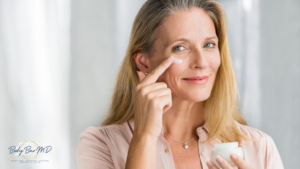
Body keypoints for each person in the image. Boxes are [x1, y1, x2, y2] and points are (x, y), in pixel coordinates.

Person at [76, 0, 284, 168]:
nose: (201, 63)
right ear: (143, 61)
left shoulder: (260, 148)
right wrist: (145, 136)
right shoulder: (101, 145)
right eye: (180, 48)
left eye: (209, 45)